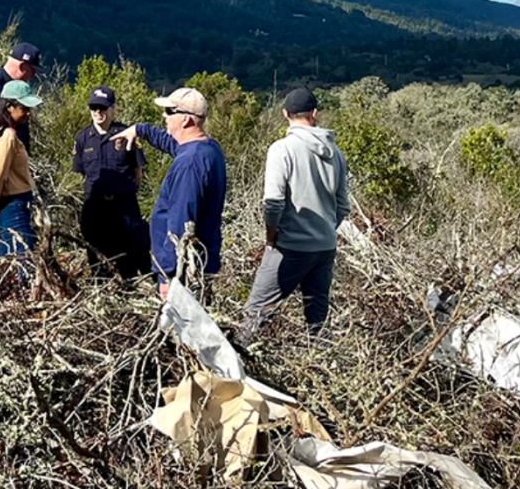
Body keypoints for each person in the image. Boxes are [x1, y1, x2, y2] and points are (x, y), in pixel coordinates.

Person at [239, 87, 350, 341]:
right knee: (317, 322)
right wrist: (325, 231)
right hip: (324, 247)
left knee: (255, 313)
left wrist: (271, 237)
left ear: (285, 114)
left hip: (290, 247)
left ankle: (235, 373)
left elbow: (274, 202)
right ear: (314, 113)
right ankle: (319, 367)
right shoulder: (337, 154)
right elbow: (343, 205)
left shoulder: (282, 149)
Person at [113, 87, 227, 298]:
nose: (164, 116)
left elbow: (180, 222)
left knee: (179, 327)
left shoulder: (189, 165)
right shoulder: (207, 149)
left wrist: (166, 275)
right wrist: (140, 130)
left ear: (185, 120)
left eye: (169, 112)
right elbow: (173, 144)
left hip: (183, 272)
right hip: (202, 261)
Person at [72, 85, 150, 278]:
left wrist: (128, 193)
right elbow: (82, 171)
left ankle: (128, 291)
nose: (98, 112)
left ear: (112, 108)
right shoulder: (82, 138)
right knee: (97, 257)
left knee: (128, 255)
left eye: (103, 108)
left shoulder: (126, 134)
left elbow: (137, 170)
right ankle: (102, 294)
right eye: (94, 108)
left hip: (123, 206)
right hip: (96, 207)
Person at [0, 79, 43, 265]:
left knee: (4, 263)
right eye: (24, 108)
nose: (28, 113)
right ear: (9, 107)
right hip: (12, 206)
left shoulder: (2, 133)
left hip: (13, 206)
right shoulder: (7, 137)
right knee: (23, 261)